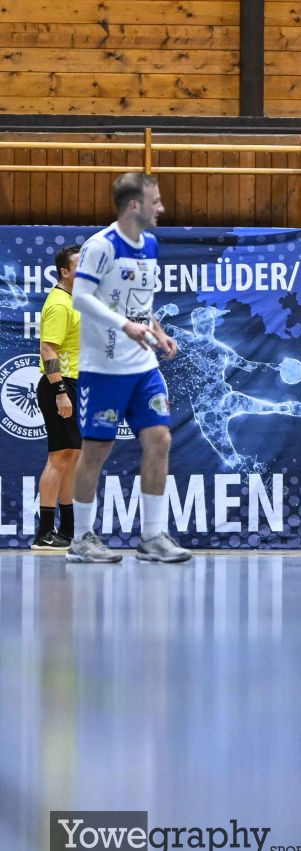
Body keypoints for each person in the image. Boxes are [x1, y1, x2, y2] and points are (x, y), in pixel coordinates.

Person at [66, 173, 188, 564]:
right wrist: (125, 326)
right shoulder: (101, 245)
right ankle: (81, 539)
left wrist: (157, 331)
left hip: (143, 366)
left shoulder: (149, 244)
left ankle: (152, 537)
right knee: (96, 450)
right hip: (103, 368)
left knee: (160, 439)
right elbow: (81, 298)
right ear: (134, 205)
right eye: (156, 201)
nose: (161, 208)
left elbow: (139, 303)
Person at [32, 245, 81, 549]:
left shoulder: (77, 300)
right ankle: (44, 532)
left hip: (74, 383)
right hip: (58, 385)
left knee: (71, 457)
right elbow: (48, 349)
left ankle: (68, 530)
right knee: (59, 456)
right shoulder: (60, 303)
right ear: (64, 271)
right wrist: (60, 391)